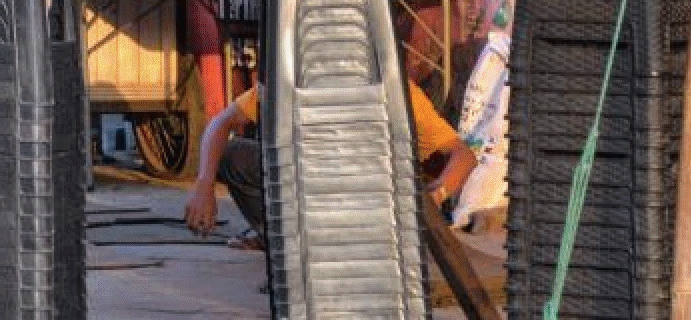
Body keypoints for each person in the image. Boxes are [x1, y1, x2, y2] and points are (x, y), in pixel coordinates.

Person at [184, 37, 476, 250]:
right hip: (313, 184)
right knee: (233, 154)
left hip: (366, 201)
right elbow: (220, 124)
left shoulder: (397, 94)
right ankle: (276, 238)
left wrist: (435, 197)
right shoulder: (295, 82)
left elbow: (463, 155)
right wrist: (203, 183)